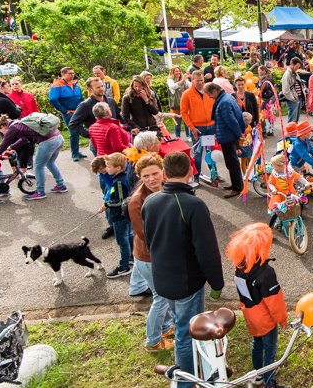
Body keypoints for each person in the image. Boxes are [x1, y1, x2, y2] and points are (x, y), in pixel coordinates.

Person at [143, 152, 224, 385]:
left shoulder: (151, 201)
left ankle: (196, 369)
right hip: (186, 283)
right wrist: (217, 284)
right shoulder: (193, 205)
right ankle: (187, 380)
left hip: (162, 278)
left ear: (164, 174)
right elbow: (208, 251)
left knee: (181, 324)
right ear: (190, 171)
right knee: (186, 332)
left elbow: (149, 241)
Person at [225, 223, 287, 387]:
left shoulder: (240, 267)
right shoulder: (266, 273)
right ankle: (269, 382)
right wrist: (282, 319)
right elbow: (275, 302)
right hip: (265, 319)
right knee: (270, 349)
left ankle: (258, 374)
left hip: (250, 315)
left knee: (257, 344)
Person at [126, 153, 174, 350]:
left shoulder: (167, 188)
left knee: (166, 296)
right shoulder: (137, 201)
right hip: (149, 258)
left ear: (163, 172)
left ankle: (165, 329)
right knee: (161, 298)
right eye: (146, 176)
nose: (152, 179)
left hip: (161, 254)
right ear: (140, 177)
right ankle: (152, 341)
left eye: (155, 173)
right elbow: (145, 235)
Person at [0, 114, 65, 197]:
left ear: (3, 127)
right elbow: (24, 139)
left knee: (38, 167)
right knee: (50, 163)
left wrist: (3, 150)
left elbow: (2, 147)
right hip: (58, 138)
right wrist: (11, 147)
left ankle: (40, 193)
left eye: (1, 131)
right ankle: (61, 185)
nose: (2, 133)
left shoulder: (12, 128)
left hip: (48, 142)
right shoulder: (18, 122)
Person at [204, 82, 245, 198]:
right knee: (232, 162)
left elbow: (231, 121)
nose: (209, 97)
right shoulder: (227, 97)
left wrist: (239, 134)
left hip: (228, 137)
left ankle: (237, 188)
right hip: (229, 135)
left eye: (209, 94)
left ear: (215, 91)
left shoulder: (224, 102)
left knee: (232, 163)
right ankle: (236, 184)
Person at [95, 152, 133, 279]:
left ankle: (124, 266)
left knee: (122, 241)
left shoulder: (118, 182)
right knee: (129, 235)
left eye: (108, 166)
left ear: (118, 168)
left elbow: (120, 201)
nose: (106, 169)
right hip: (125, 214)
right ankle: (132, 257)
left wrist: (106, 205)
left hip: (119, 215)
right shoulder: (119, 177)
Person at [179, 70, 216, 182]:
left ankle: (214, 173)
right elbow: (184, 113)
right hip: (198, 129)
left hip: (211, 127)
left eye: (202, 80)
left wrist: (216, 123)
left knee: (211, 151)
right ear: (192, 80)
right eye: (197, 81)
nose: (200, 83)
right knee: (197, 154)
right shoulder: (187, 94)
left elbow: (215, 107)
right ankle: (196, 176)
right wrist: (192, 128)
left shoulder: (208, 91)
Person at [70, 76, 122, 152]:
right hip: (98, 144)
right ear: (90, 89)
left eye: (102, 86)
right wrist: (90, 134)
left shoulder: (111, 101)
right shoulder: (85, 105)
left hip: (115, 140)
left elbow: (119, 116)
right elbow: (73, 124)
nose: (101, 89)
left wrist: (126, 127)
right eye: (98, 87)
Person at [49, 67, 86, 161]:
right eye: (70, 73)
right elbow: (53, 99)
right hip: (68, 113)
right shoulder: (57, 85)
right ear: (63, 74)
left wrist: (83, 108)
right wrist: (64, 110)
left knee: (78, 132)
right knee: (73, 132)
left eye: (73, 73)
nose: (72, 75)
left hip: (78, 111)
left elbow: (81, 98)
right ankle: (74, 154)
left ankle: (76, 151)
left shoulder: (75, 84)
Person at [166, 67, 190, 139]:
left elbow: (191, 85)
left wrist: (190, 77)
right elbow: (173, 87)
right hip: (176, 104)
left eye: (179, 71)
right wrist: (182, 81)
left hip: (185, 103)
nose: (178, 72)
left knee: (186, 120)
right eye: (176, 71)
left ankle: (188, 136)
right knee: (177, 122)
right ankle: (178, 137)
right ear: (172, 72)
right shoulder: (170, 80)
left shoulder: (183, 79)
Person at [281, 57, 305, 123]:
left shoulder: (295, 73)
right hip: (293, 100)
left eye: (299, 67)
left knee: (296, 120)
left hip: (298, 98)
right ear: (292, 64)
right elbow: (286, 90)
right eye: (297, 66)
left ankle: (294, 130)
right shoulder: (287, 75)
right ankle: (291, 130)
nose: (298, 68)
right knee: (292, 120)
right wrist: (293, 99)